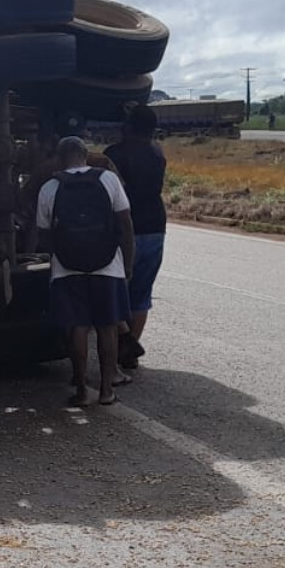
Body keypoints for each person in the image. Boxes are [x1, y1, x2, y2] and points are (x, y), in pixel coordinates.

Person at [35, 136, 135, 407]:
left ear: (59, 159)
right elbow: (126, 224)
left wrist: (60, 255)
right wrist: (127, 263)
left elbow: (43, 234)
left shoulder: (50, 187)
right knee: (107, 327)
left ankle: (81, 390)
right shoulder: (108, 180)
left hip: (67, 269)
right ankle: (106, 391)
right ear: (86, 155)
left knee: (77, 327)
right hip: (108, 266)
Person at [104, 105, 167, 370]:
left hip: (123, 229)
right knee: (141, 294)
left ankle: (118, 346)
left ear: (128, 126)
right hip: (155, 226)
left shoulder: (113, 154)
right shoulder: (158, 153)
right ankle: (129, 351)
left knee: (112, 291)